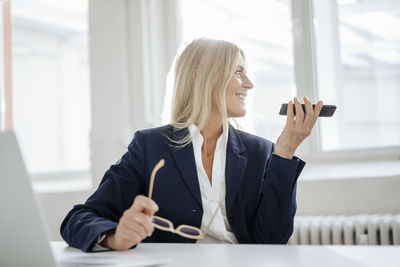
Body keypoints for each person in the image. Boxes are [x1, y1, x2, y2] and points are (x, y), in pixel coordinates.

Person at [60, 38, 323, 252]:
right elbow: (78, 219)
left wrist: (286, 151)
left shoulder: (262, 152)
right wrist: (115, 237)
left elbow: (272, 242)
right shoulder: (150, 146)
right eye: (238, 72)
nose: (249, 84)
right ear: (202, 77)